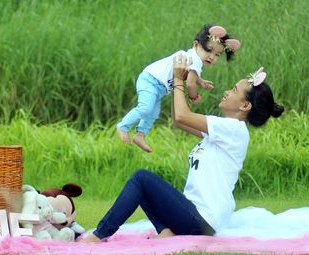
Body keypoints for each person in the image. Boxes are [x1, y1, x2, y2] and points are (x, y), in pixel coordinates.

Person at [81, 55, 284, 242]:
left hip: (202, 220)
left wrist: (179, 80)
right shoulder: (225, 130)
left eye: (233, 91)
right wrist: (174, 82)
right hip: (196, 217)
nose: (227, 92)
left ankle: (98, 235)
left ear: (245, 106)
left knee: (141, 179)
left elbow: (181, 116)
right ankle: (165, 231)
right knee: (145, 188)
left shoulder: (233, 129)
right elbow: (179, 121)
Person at [116, 24, 241, 153]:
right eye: (209, 50)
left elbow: (192, 77)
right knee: (145, 108)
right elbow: (190, 83)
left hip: (158, 88)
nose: (212, 57)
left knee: (153, 112)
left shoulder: (194, 59)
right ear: (196, 45)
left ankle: (140, 135)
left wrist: (201, 82)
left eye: (217, 55)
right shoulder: (195, 60)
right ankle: (123, 127)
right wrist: (194, 96)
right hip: (151, 81)